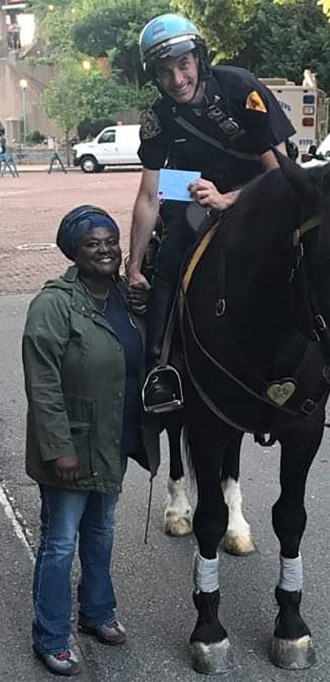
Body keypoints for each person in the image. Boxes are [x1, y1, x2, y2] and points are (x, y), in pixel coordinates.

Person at [126, 13, 295, 412]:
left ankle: (324, 355)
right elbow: (148, 196)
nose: (177, 79)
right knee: (168, 261)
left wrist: (228, 200)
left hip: (261, 188)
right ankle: (159, 372)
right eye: (164, 72)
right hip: (194, 191)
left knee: (303, 252)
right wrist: (132, 267)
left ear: (199, 58)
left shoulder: (242, 88)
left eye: (183, 64)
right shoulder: (158, 117)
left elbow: (281, 173)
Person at [22, 206, 157, 676]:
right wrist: (58, 447)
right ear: (74, 253)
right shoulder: (53, 305)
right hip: (70, 447)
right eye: (92, 244)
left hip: (112, 441)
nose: (105, 250)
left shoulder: (125, 297)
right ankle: (52, 636)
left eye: (111, 241)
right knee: (59, 542)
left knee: (100, 535)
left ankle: (97, 612)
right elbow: (42, 384)